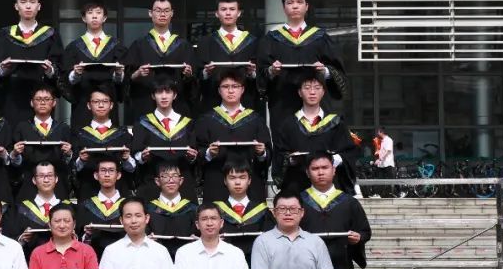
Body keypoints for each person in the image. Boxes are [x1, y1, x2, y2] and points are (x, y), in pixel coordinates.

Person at [257, 0, 346, 120]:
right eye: (290, 2)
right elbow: (261, 73)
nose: (295, 6)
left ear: (307, 6)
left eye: (299, 2)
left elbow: (338, 70)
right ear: (284, 7)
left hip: (316, 105)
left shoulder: (321, 37)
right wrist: (272, 71)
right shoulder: (272, 39)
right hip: (282, 105)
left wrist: (325, 71)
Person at [271, 73, 358, 194]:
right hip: (298, 188)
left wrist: (332, 159)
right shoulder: (288, 125)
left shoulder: (336, 123)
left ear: (323, 92)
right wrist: (291, 160)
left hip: (330, 189)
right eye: (307, 88)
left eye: (317, 88)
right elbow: (279, 155)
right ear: (299, 92)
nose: (312, 92)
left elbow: (348, 153)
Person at [196, 68, 271, 204]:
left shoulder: (255, 119)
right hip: (217, 182)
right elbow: (197, 152)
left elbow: (268, 153)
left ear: (242, 90)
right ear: (219, 90)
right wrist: (209, 153)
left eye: (235, 86)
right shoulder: (207, 119)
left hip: (249, 182)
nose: (230, 91)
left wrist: (262, 152)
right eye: (225, 87)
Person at [0, 0, 62, 127]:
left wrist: (50, 70)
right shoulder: (4, 34)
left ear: (39, 6)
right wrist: (3, 69)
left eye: (32, 2)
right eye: (23, 2)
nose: (28, 6)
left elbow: (59, 66)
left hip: (41, 96)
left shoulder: (50, 34)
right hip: (11, 96)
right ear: (16, 6)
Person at [124, 0, 195, 125]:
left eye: (166, 11)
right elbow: (126, 77)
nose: (162, 14)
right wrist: (137, 74)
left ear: (172, 13)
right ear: (150, 13)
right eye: (158, 10)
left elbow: (193, 83)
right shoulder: (139, 45)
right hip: (145, 105)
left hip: (176, 106)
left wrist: (188, 75)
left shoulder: (183, 45)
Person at [62, 0, 127, 129]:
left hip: (108, 102)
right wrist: (76, 73)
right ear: (84, 18)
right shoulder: (74, 47)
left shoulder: (116, 46)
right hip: (83, 101)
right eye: (90, 13)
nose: (94, 16)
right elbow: (66, 79)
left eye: (98, 13)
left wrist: (119, 73)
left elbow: (122, 83)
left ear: (104, 18)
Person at [130, 80, 198, 198]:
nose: (164, 96)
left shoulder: (187, 123)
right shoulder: (143, 123)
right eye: (159, 92)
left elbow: (194, 153)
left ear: (174, 95)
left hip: (182, 181)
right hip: (152, 180)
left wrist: (192, 157)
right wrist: (142, 157)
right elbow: (136, 154)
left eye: (168, 92)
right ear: (153, 96)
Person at [8, 84, 73, 199]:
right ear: (32, 103)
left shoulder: (63, 128)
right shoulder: (22, 127)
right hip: (28, 181)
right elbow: (16, 163)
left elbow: (68, 162)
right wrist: (15, 153)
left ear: (54, 103)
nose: (42, 103)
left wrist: (69, 153)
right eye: (38, 99)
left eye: (47, 99)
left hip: (57, 183)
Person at [71, 87, 136, 199]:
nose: (101, 105)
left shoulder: (123, 134)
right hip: (88, 189)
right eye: (96, 101)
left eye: (105, 101)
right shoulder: (79, 134)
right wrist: (81, 160)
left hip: (118, 190)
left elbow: (132, 168)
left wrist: (126, 158)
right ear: (89, 105)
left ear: (111, 105)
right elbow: (73, 168)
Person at [197, 0, 260, 111]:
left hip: (245, 101)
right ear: (217, 13)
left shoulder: (252, 41)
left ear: (239, 13)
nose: (228, 13)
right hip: (214, 101)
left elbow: (260, 75)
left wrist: (252, 73)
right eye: (223, 9)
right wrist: (206, 72)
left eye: (232, 9)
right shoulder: (206, 42)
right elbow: (197, 74)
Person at [373, 127, 396, 198]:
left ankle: (389, 194)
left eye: (378, 132)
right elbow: (382, 151)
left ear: (381, 132)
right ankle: (380, 194)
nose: (377, 133)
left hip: (388, 163)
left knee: (389, 180)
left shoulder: (388, 140)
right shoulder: (382, 141)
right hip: (382, 164)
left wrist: (380, 159)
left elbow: (388, 151)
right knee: (380, 179)